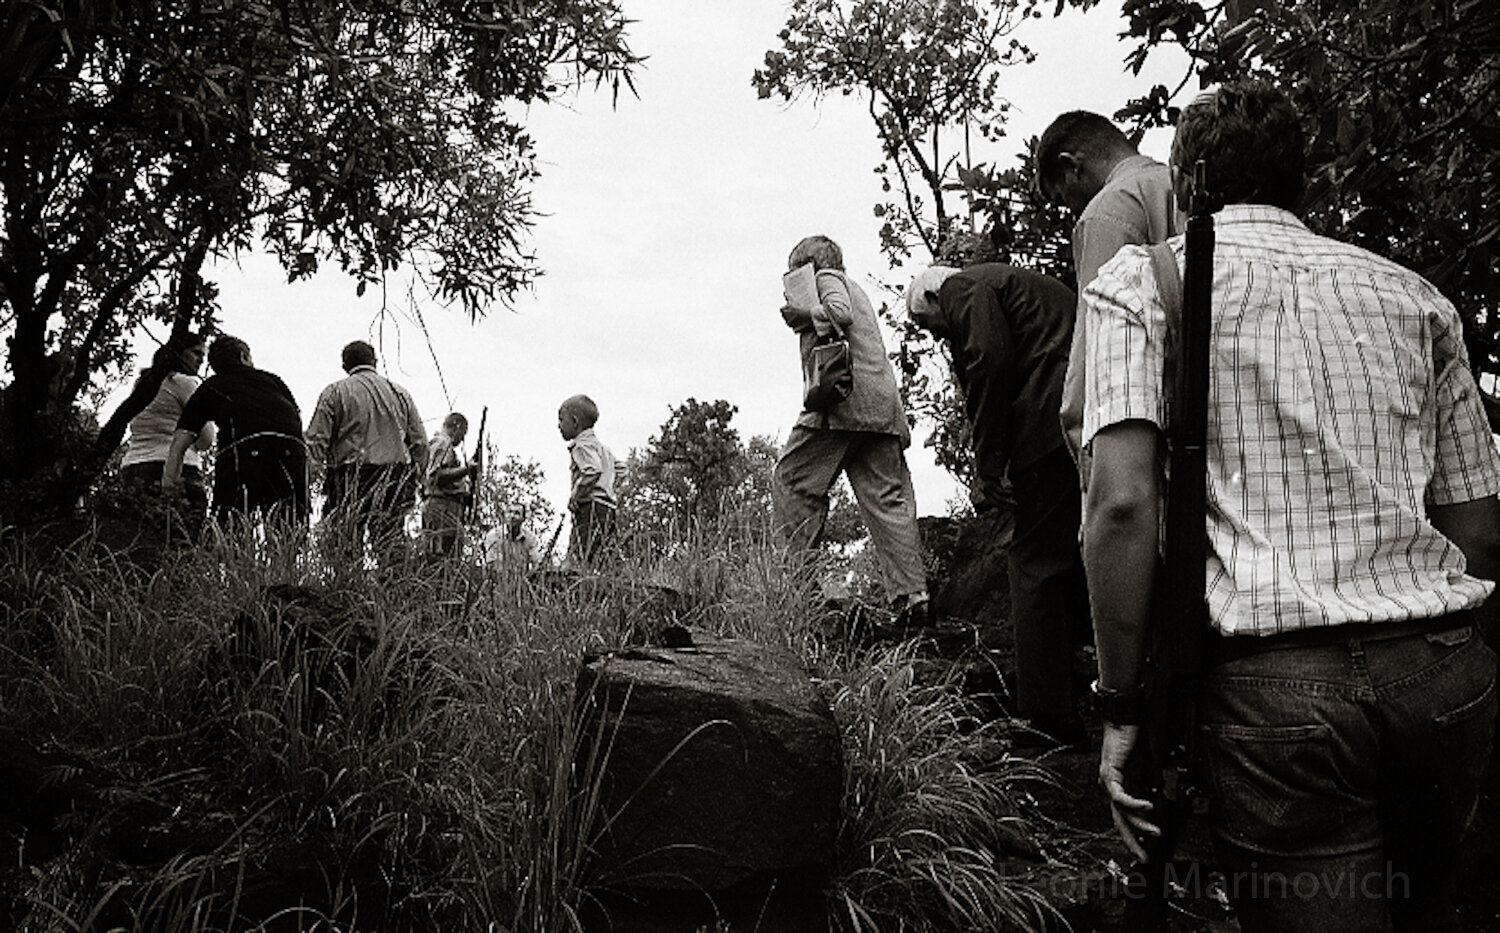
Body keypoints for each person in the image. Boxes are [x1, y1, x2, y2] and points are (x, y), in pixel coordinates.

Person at [1083, 81, 1500, 931]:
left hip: (1278, 703)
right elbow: (1480, 528)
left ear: (1188, 184)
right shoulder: (1415, 295)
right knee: (1431, 911)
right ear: (1298, 183)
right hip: (1442, 675)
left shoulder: (1141, 281)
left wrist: (1123, 709)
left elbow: (1121, 506)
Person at [907, 262, 1088, 744]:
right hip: (1089, 409)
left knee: (1033, 562)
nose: (938, 335)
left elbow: (987, 358)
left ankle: (1047, 719)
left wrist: (989, 467)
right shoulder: (1009, 287)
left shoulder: (960, 287)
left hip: (1052, 418)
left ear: (931, 299)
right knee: (1071, 553)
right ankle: (1080, 688)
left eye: (930, 326)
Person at [774, 234, 928, 623]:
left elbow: (837, 313)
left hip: (843, 405)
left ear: (809, 266)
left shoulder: (827, 278)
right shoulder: (856, 287)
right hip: (881, 409)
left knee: (792, 479)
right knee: (887, 500)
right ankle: (914, 598)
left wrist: (805, 314)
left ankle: (800, 591)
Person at [1036, 110, 1180, 490]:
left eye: (1061, 196)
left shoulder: (1108, 212)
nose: (1068, 208)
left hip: (1144, 452)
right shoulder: (1186, 187)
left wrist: (1088, 464)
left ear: (1071, 167)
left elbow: (1094, 358)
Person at [304, 340, 427, 567]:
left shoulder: (335, 392)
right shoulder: (400, 393)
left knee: (345, 544)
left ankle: (347, 594)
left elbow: (316, 442)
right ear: (375, 362)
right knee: (390, 544)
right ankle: (396, 594)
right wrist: (418, 479)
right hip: (394, 479)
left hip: (350, 479)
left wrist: (306, 482)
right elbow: (419, 442)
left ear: (344, 366)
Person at [163, 335, 309, 526]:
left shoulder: (212, 386)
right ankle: (286, 553)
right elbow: (296, 418)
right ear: (243, 357)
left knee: (231, 525)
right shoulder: (274, 381)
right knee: (287, 530)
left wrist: (168, 491)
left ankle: (230, 549)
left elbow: (179, 444)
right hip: (292, 453)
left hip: (244, 453)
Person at [120, 335, 215, 516]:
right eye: (196, 353)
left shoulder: (142, 384)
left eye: (203, 355)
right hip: (177, 467)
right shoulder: (184, 383)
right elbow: (207, 439)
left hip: (133, 467)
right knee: (184, 537)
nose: (200, 360)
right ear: (179, 353)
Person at [558, 394, 619, 567]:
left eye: (562, 420)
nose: (559, 426)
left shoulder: (581, 446)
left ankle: (572, 589)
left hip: (589, 509)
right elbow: (620, 470)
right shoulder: (602, 449)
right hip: (608, 509)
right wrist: (608, 488)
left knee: (578, 557)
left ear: (575, 422)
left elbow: (592, 470)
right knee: (603, 558)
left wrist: (576, 495)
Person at [422, 412, 476, 559]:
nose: (462, 439)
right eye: (463, 433)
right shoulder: (442, 443)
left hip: (445, 508)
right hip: (441, 509)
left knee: (447, 557)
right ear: (456, 427)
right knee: (442, 560)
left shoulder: (443, 446)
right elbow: (436, 477)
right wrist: (466, 470)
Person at [483, 503, 542, 572]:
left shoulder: (530, 538)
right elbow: (491, 565)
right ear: (505, 515)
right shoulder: (494, 535)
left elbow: (536, 563)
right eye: (509, 512)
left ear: (523, 519)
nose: (512, 516)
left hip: (521, 579)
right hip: (498, 578)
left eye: (517, 513)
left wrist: (527, 578)